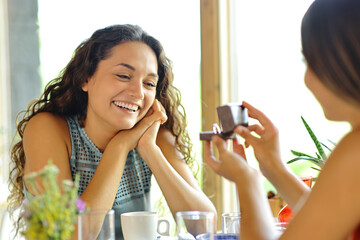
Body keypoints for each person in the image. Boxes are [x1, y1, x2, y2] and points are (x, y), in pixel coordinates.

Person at [8, 24, 216, 239]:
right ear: (85, 78)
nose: (138, 92)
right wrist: (120, 146)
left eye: (149, 83)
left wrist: (148, 149)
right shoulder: (48, 129)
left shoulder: (153, 136)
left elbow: (204, 226)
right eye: (124, 76)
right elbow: (69, 235)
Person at [204, 0, 360, 239]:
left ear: (344, 55)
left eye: (310, 61)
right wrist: (274, 167)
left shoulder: (355, 152)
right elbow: (327, 219)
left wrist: (248, 180)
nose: (307, 79)